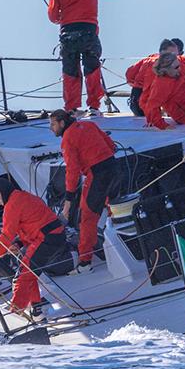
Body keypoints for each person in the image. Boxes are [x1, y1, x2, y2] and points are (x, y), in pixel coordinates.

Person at [0, 179, 73, 320]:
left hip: (47, 239)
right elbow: (33, 224)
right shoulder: (23, 196)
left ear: (2, 192)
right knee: (29, 271)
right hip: (54, 236)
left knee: (22, 276)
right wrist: (20, 245)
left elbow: (6, 235)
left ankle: (14, 317)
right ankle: (36, 309)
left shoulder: (12, 204)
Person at [48, 0, 121, 115]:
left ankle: (72, 108)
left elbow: (53, 16)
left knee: (70, 71)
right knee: (92, 69)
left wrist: (61, 19)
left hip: (68, 35)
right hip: (88, 34)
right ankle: (94, 107)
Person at [49, 110, 119, 273]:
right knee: (115, 210)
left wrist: (68, 202)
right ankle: (124, 246)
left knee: (87, 219)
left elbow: (72, 172)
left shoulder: (67, 139)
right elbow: (111, 145)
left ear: (62, 123)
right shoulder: (89, 124)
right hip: (115, 169)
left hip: (97, 176)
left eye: (52, 124)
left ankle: (85, 262)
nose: (51, 128)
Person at [126, 39, 178, 117]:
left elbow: (129, 75)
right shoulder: (162, 65)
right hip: (145, 108)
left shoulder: (147, 60)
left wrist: (137, 83)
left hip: (134, 104)